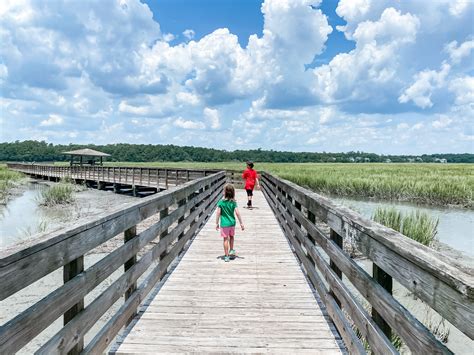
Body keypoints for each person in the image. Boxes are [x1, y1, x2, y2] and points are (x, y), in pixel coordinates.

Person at [216, 184, 244, 262]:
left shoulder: (221, 202)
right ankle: (231, 250)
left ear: (225, 192)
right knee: (231, 236)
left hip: (224, 224)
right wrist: (241, 223)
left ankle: (226, 256)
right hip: (232, 223)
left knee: (225, 239)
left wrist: (216, 223)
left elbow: (218, 213)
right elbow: (237, 213)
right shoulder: (233, 202)